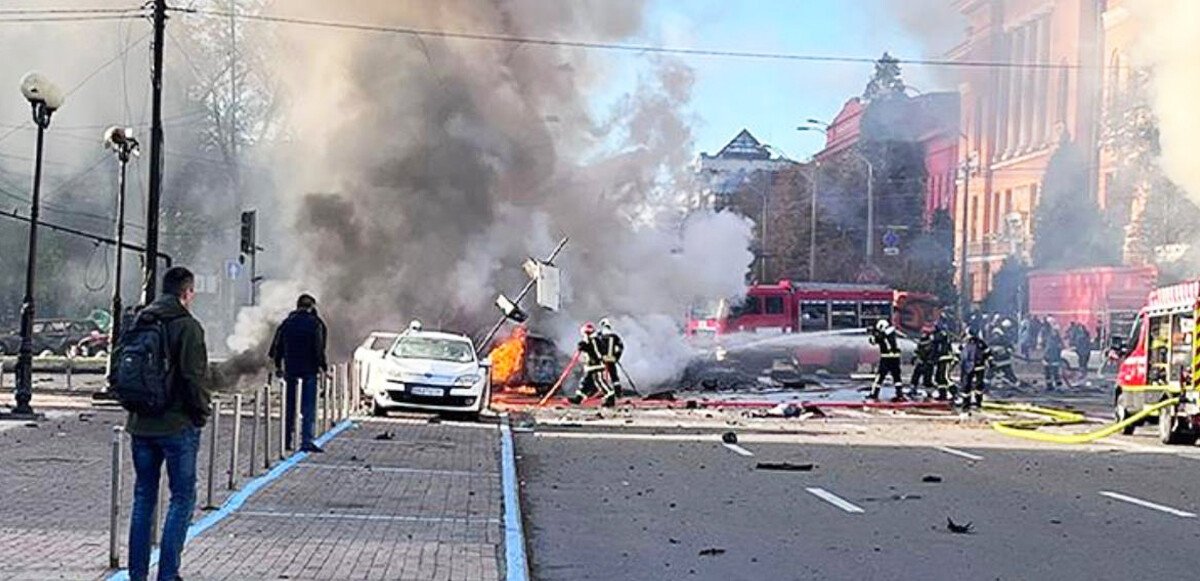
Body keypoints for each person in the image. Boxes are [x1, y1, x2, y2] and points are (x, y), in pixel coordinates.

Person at [125, 267, 211, 581]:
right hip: (176, 425)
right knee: (182, 497)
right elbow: (192, 377)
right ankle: (168, 573)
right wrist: (201, 412)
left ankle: (137, 575)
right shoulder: (188, 326)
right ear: (187, 293)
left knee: (143, 497)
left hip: (140, 423)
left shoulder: (140, 319)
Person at [269, 293, 328, 453]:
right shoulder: (315, 324)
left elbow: (276, 347)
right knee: (308, 408)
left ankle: (287, 440)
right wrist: (323, 366)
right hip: (309, 371)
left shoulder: (287, 323)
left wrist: (278, 366)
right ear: (311, 307)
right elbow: (319, 348)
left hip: (291, 370)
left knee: (290, 406)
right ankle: (306, 440)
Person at [570, 322, 616, 407]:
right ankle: (578, 398)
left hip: (597, 366)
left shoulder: (594, 340)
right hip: (590, 366)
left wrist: (586, 348)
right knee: (585, 382)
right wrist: (583, 347)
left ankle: (610, 397)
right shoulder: (588, 341)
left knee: (600, 381)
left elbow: (597, 353)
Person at [867, 320, 903, 401]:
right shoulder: (892, 333)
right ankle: (899, 394)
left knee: (880, 377)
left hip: (886, 359)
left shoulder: (882, 335)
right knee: (897, 377)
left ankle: (874, 394)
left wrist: (873, 333)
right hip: (896, 359)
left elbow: (872, 341)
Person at [959, 330, 990, 409]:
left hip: (978, 367)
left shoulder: (981, 343)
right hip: (967, 367)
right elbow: (958, 353)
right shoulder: (964, 343)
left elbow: (988, 353)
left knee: (979, 385)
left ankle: (978, 402)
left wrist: (990, 361)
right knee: (966, 385)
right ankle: (966, 404)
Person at [597, 318, 625, 397]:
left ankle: (604, 392)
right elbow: (621, 347)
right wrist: (616, 357)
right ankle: (618, 393)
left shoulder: (599, 336)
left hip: (601, 360)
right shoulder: (615, 337)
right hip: (611, 359)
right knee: (614, 377)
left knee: (598, 377)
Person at [909, 326, 936, 398]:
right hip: (920, 362)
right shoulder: (921, 341)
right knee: (915, 376)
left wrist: (928, 361)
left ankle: (929, 393)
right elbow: (917, 351)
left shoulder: (931, 343)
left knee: (927, 379)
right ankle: (913, 390)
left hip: (928, 363)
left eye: (924, 333)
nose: (922, 334)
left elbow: (931, 353)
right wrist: (914, 358)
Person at [932, 320, 956, 401]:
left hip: (945, 359)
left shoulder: (941, 336)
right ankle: (942, 395)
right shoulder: (939, 336)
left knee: (945, 378)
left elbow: (939, 349)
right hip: (941, 359)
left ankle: (955, 394)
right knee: (939, 378)